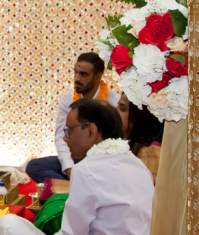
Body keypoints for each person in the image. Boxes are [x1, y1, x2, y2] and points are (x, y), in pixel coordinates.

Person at [0, 98, 153, 235]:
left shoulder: (86, 170)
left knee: (7, 227)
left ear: (91, 131)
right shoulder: (138, 164)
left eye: (69, 131)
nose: (65, 138)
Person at [25, 52, 126, 183]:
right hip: (76, 159)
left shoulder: (114, 102)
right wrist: (69, 168)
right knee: (34, 166)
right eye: (76, 72)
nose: (77, 79)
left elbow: (120, 141)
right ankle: (77, 185)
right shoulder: (67, 100)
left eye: (83, 74)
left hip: (103, 160)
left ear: (98, 76)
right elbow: (61, 137)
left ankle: (72, 187)